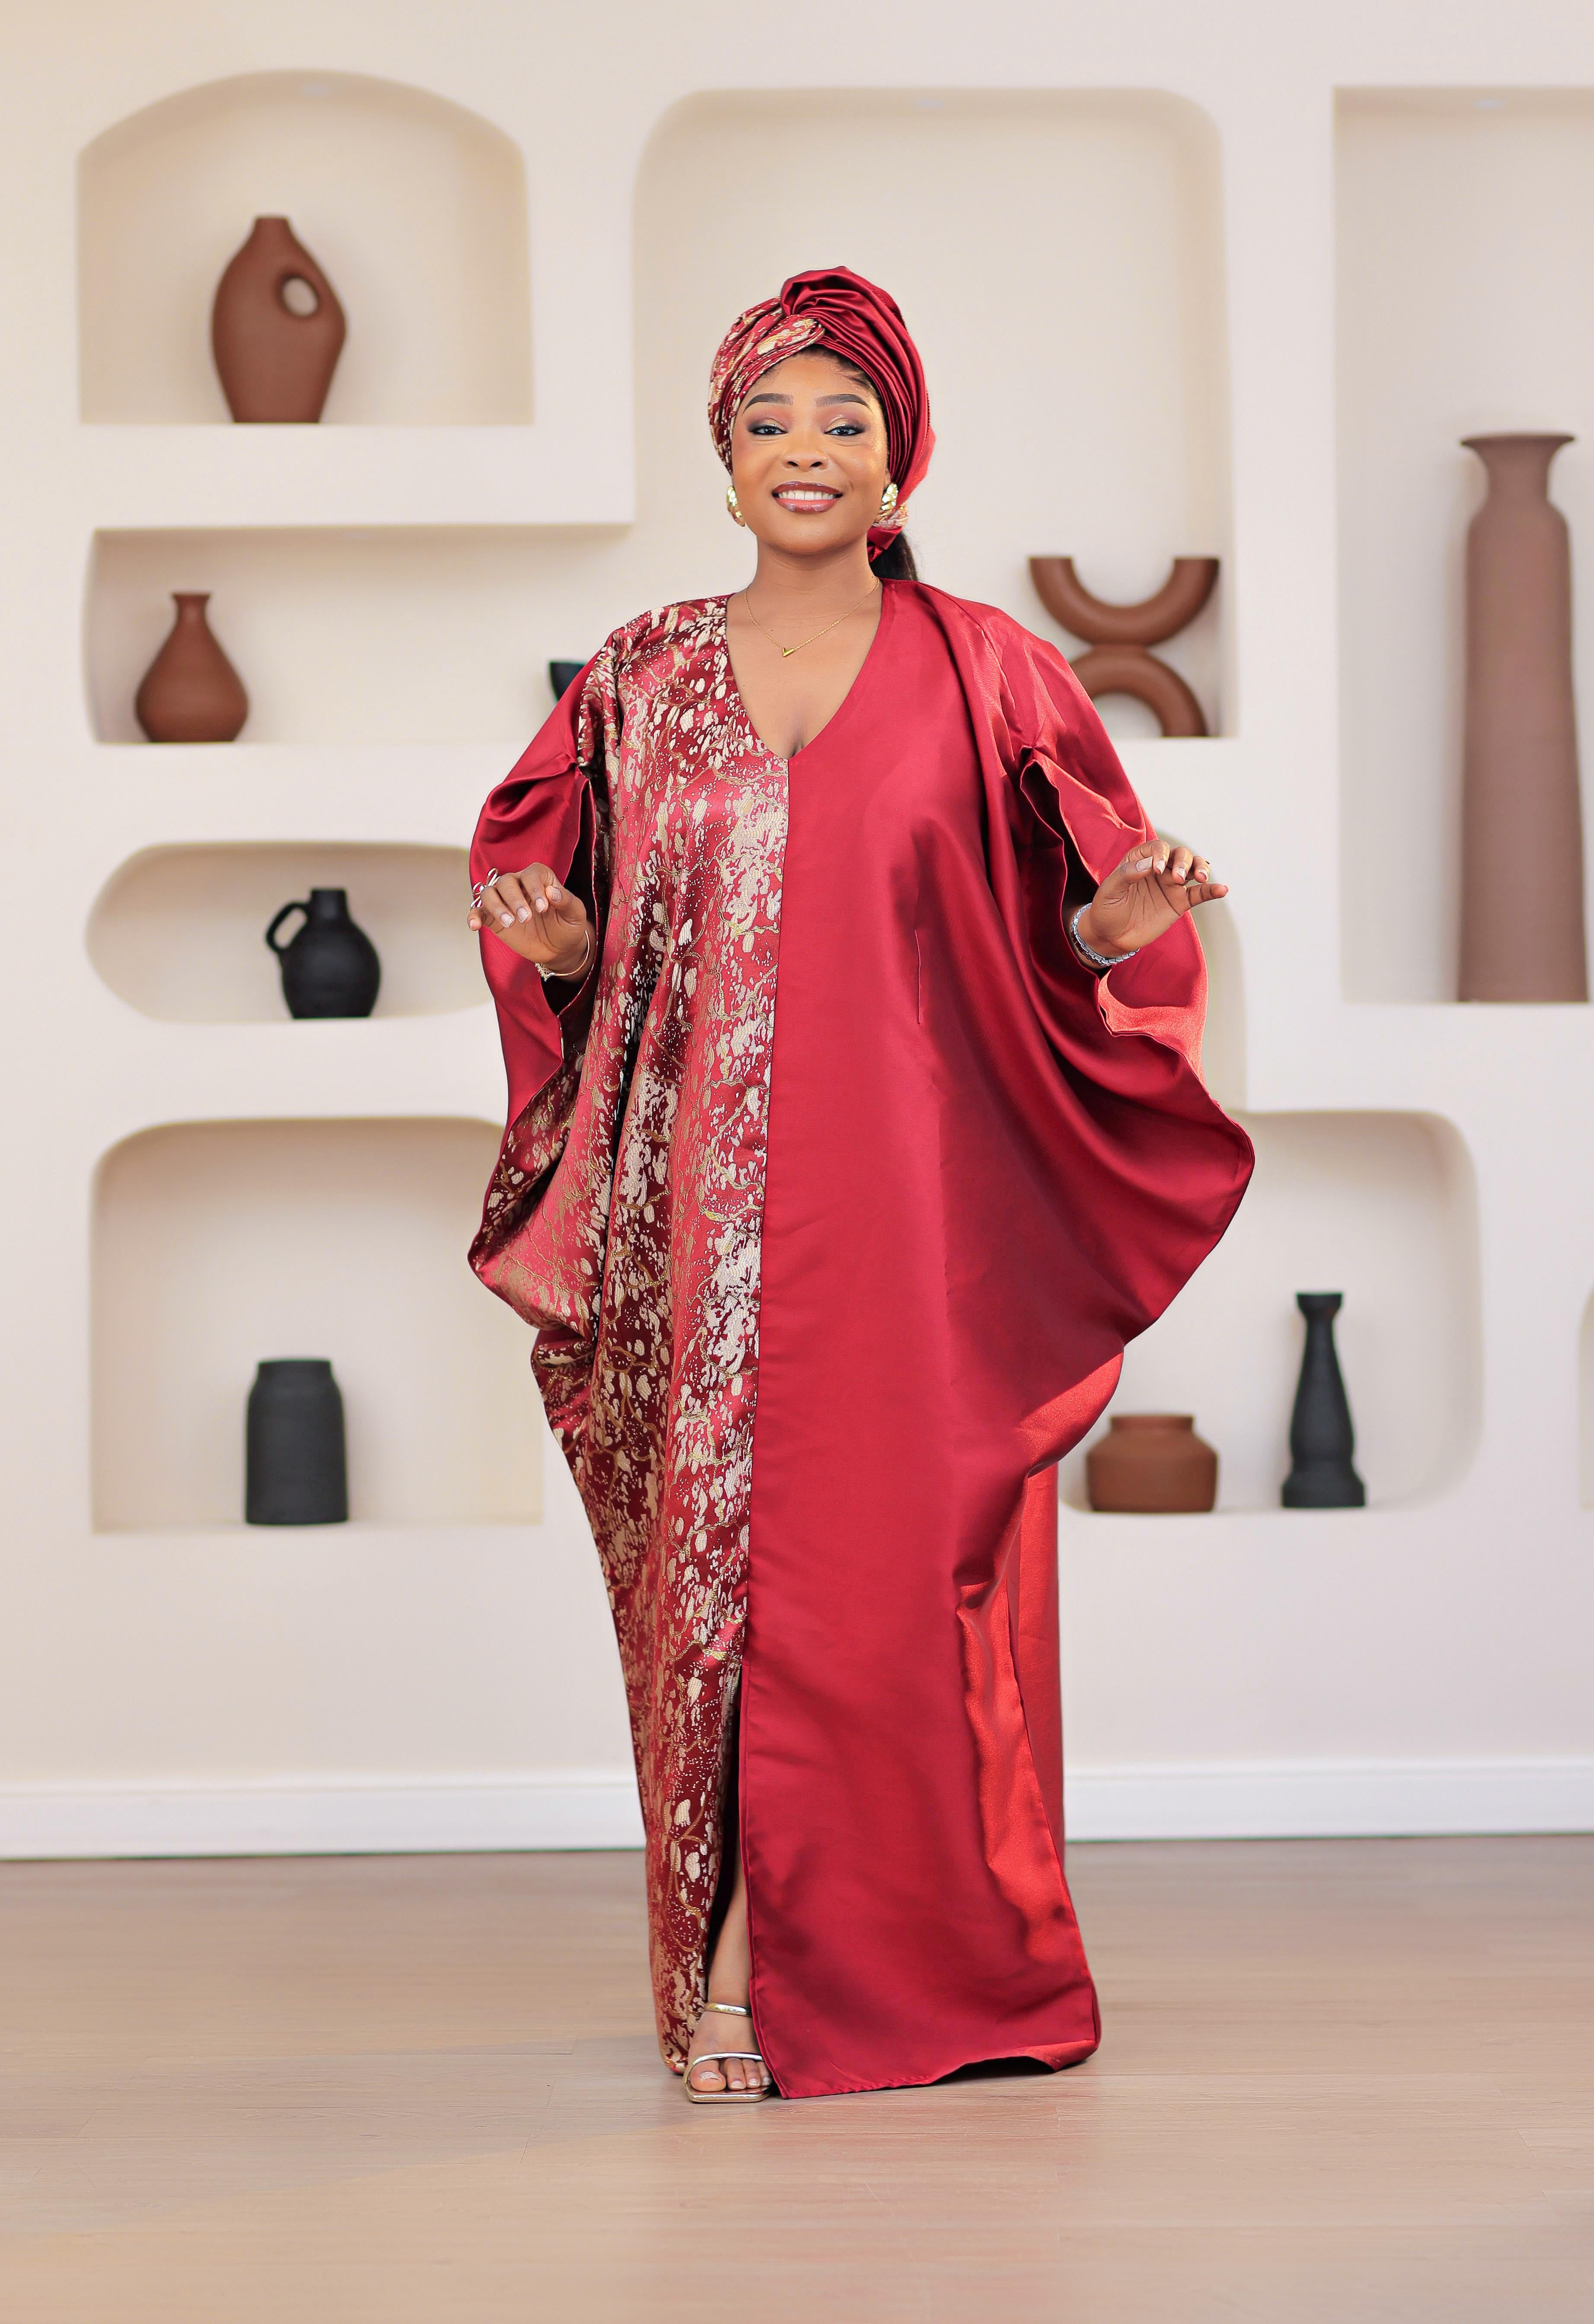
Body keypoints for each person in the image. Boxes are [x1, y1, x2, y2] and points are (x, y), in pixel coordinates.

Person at [468, 267, 1252, 2104]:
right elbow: (569, 927)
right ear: (722, 469)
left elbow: (1063, 926)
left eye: (844, 423)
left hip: (908, 1224)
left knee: (899, 1593)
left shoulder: (994, 669)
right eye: (767, 424)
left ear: (899, 466)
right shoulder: (641, 678)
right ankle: (730, 1961)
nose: (805, 452)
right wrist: (568, 940)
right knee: (717, 1578)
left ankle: (940, 1971)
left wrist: (1114, 927)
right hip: (691, 1220)